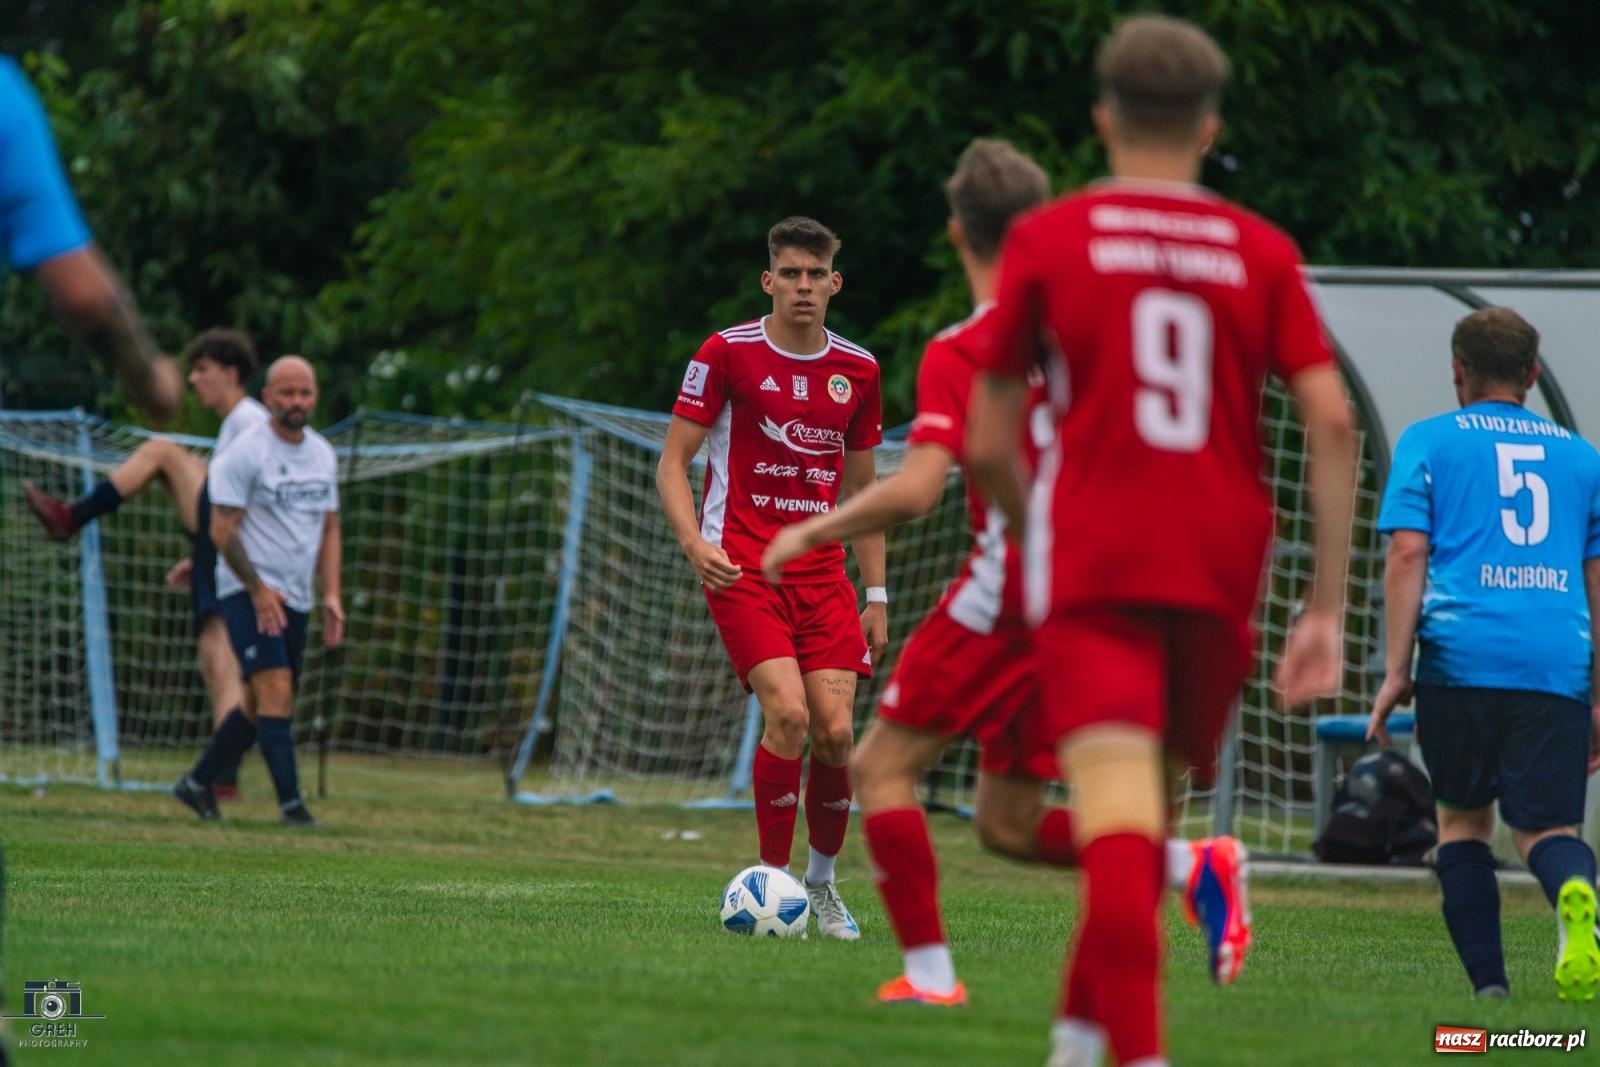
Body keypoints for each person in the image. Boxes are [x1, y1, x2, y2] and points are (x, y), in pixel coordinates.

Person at [762, 138, 1253, 1007]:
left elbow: (917, 488)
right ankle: (1191, 863)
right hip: (1104, 591)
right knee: (1007, 821)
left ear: (957, 234)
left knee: (879, 768)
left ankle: (930, 976)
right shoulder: (1102, 330)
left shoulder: (968, 346)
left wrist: (816, 529)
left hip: (1012, 589)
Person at [966, 16, 1360, 1067]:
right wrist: (1323, 605)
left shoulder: (1051, 238)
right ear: (1209, 125)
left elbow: (988, 432)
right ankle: (1074, 1041)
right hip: (1218, 572)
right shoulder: (1260, 249)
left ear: (1101, 117)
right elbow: (1329, 421)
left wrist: (1034, 523)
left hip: (1098, 564)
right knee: (1130, 815)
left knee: (1116, 827)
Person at [1, 54, 184, 1065]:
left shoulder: (282, 438)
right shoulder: (2, 98)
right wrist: (145, 370)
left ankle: (240, 789)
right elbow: (83, 293)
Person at [656, 216, 886, 939]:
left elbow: (863, 497)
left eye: (816, 274)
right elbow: (670, 463)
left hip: (825, 580)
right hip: (743, 569)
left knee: (838, 734)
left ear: (834, 283)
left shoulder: (861, 371)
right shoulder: (727, 354)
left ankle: (820, 885)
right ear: (769, 281)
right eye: (790, 273)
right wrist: (693, 542)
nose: (804, 286)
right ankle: (770, 882)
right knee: (787, 713)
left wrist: (876, 591)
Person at [1368, 307, 1600, 1002]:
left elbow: (1408, 551)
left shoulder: (1429, 441)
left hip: (1460, 656)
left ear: (1458, 371)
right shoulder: (1583, 458)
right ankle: (1577, 889)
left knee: (1463, 823)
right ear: (1532, 374)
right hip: (1555, 659)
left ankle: (1491, 994)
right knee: (1547, 828)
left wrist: (1397, 668)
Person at [22, 328, 268, 798]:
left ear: (231, 373)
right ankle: (224, 775)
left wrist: (216, 546)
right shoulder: (238, 425)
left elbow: (253, 496)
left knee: (161, 452)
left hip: (235, 549)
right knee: (218, 659)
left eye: (202, 370)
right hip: (218, 546)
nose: (194, 379)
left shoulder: (250, 421)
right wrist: (199, 554)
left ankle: (70, 517)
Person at [172, 356, 343, 827]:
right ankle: (294, 808)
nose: (296, 402)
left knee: (255, 701)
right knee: (276, 690)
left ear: (315, 397)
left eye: (304, 393)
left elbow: (329, 528)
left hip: (296, 596)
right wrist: (257, 588)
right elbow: (221, 531)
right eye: (286, 393)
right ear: (268, 397)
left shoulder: (323, 453)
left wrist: (332, 594)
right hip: (245, 591)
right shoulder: (246, 452)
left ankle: (196, 783)